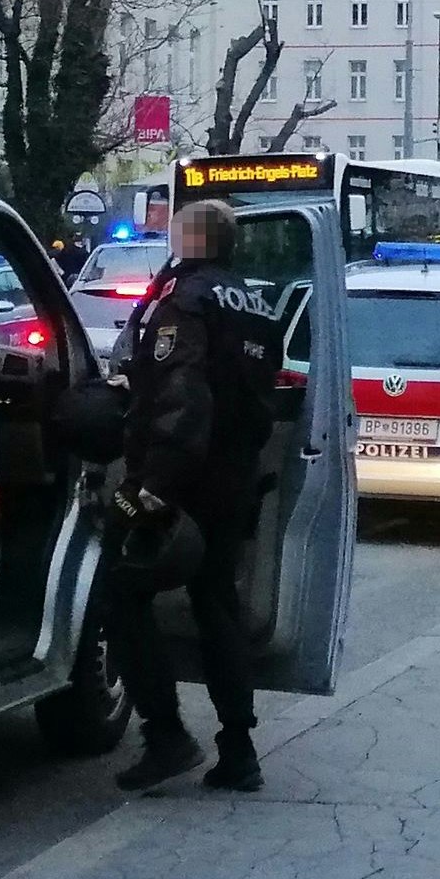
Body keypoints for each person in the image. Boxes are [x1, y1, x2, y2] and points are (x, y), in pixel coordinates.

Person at [103, 197, 281, 792]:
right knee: (217, 604)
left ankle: (166, 736)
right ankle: (239, 750)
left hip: (183, 479)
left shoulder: (186, 299)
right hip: (235, 476)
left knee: (121, 594)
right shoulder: (255, 301)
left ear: (192, 239)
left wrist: (154, 488)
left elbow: (183, 399)